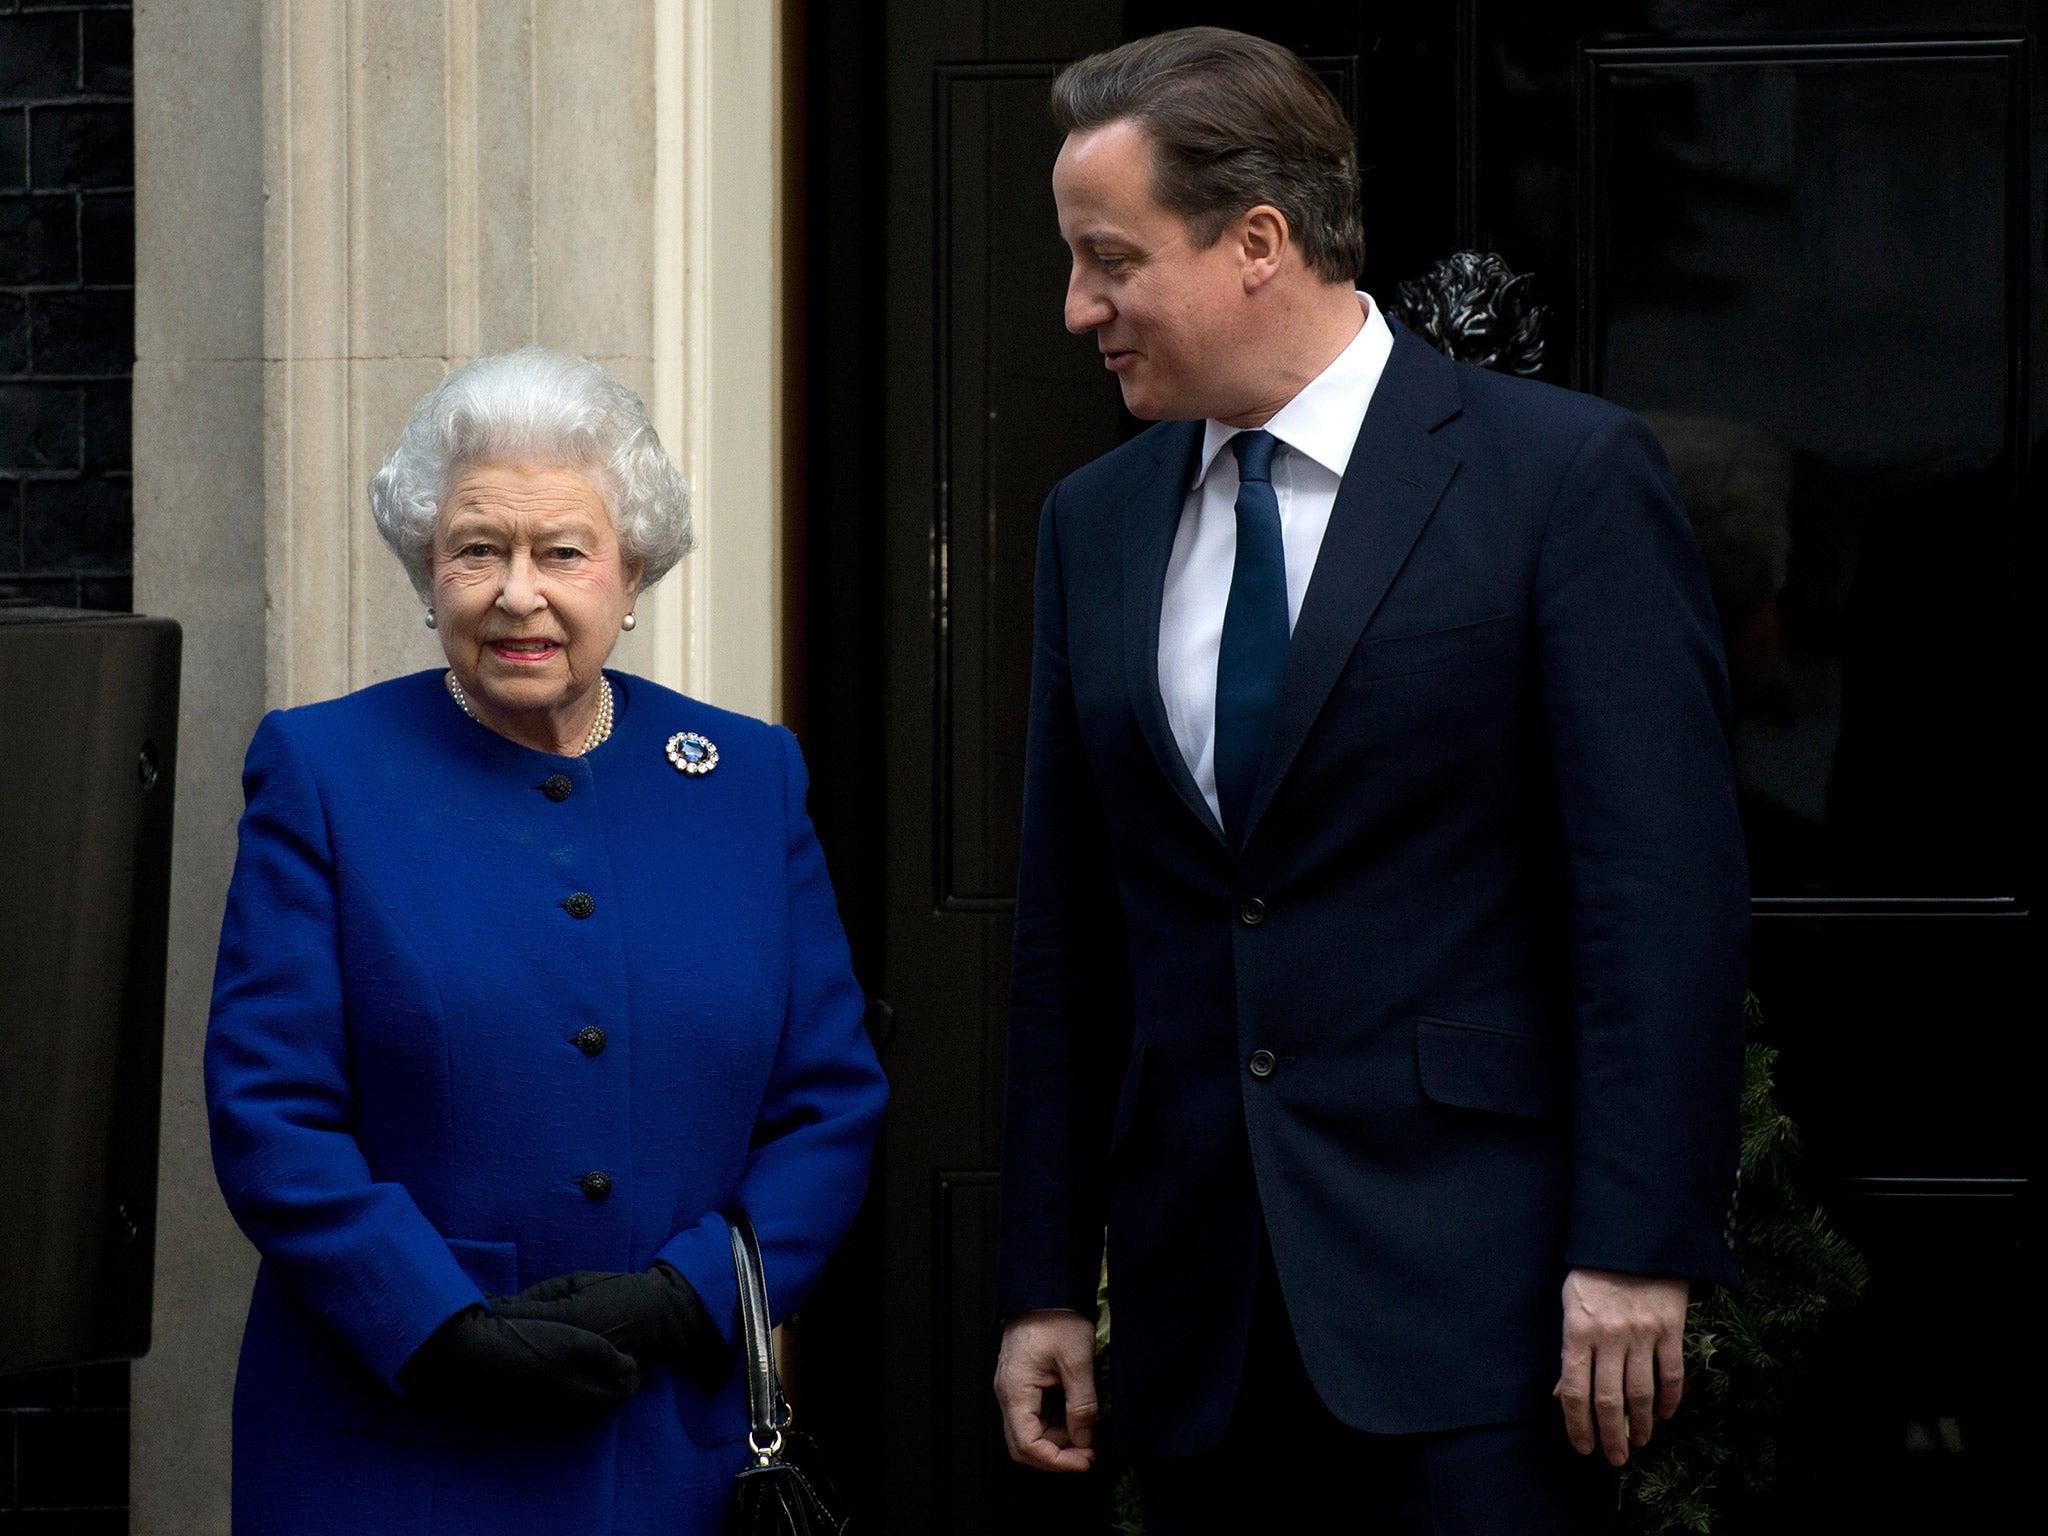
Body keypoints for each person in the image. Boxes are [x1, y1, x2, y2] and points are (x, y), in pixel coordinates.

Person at [992, 28, 1747, 1534]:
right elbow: (1069, 936)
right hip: (1201, 1322)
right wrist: (1042, 1286)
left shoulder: (1561, 478)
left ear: (1257, 242)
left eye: (1109, 260)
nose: (1080, 308)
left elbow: (1653, 896)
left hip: (1486, 1314)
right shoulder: (1096, 521)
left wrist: (1636, 1247)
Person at [205, 347, 888, 1534]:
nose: (518, 593)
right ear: (428, 569)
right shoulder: (325, 772)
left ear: (631, 574)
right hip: (395, 1437)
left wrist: (689, 1299)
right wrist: (434, 1321)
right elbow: (270, 1113)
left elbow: (827, 1104)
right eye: (478, 549)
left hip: (669, 1437)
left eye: (562, 551)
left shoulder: (743, 778)